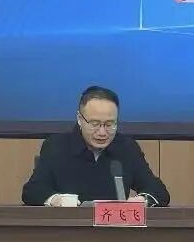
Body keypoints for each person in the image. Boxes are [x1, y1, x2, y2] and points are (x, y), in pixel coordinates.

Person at [22, 86, 170, 207]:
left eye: (109, 124)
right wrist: (56, 200)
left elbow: (158, 191)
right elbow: (33, 191)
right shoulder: (57, 146)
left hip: (114, 230)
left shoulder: (126, 148)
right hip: (70, 229)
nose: (102, 132)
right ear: (80, 119)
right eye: (95, 124)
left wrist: (143, 200)